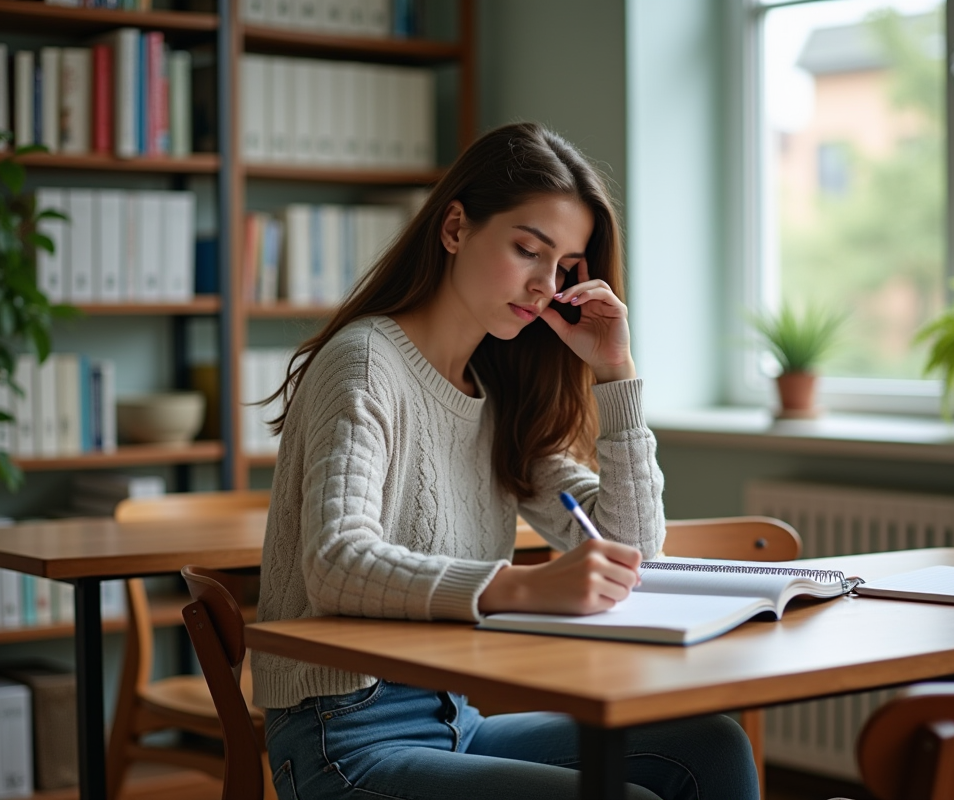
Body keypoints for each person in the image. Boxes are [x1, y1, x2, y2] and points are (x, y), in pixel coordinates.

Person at [253, 121, 759, 800]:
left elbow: (636, 549)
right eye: (527, 250)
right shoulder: (366, 361)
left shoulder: (498, 391)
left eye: (564, 269)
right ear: (455, 227)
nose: (543, 286)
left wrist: (617, 375)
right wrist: (522, 587)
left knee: (712, 746)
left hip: (456, 719)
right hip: (340, 738)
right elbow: (334, 563)